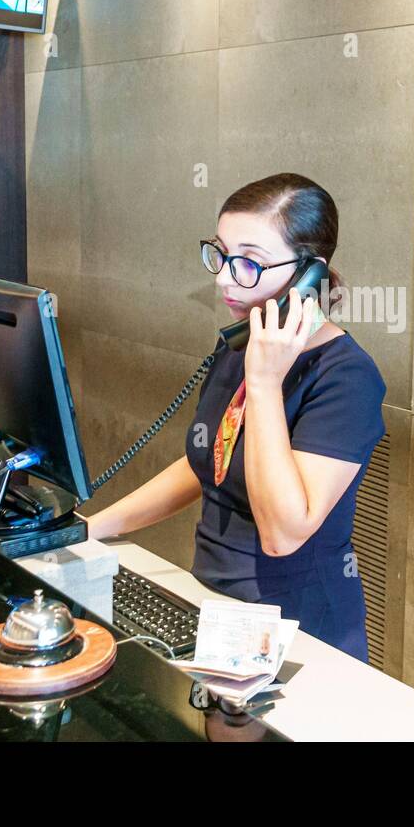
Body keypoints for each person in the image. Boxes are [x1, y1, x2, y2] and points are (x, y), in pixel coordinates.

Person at [86, 173, 386, 662]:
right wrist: (91, 528)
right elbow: (210, 462)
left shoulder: (346, 377)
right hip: (216, 610)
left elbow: (284, 532)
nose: (225, 276)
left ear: (310, 273)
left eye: (250, 261)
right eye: (221, 254)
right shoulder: (242, 343)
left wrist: (266, 382)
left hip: (299, 635)